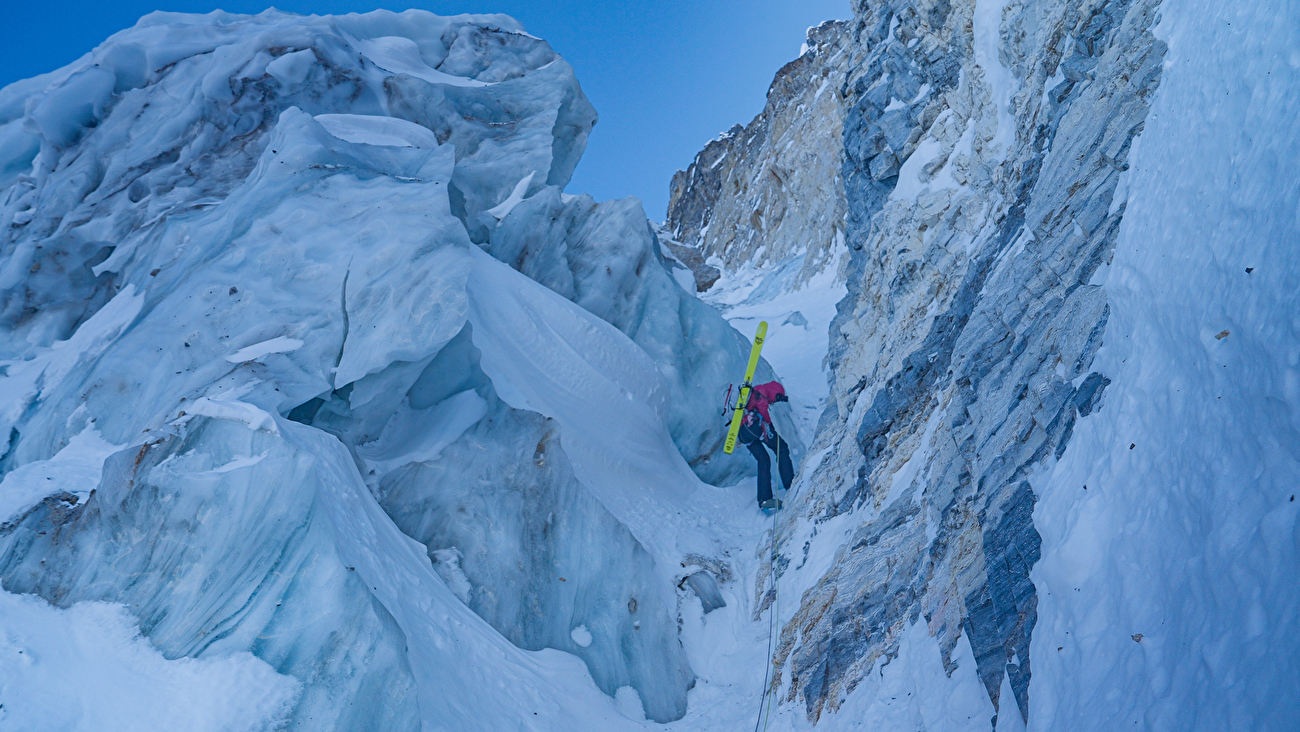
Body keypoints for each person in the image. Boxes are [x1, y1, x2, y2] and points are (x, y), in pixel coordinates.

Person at [737, 381, 793, 510]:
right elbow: (762, 408)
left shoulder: (753, 393)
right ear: (774, 391)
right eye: (776, 398)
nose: (774, 402)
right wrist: (770, 426)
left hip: (744, 434)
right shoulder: (761, 391)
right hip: (757, 429)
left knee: (763, 459)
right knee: (782, 448)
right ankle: (791, 485)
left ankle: (764, 499)